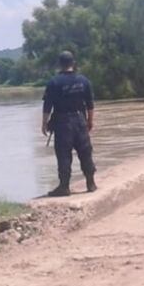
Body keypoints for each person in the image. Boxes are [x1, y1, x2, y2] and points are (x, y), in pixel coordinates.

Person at [41, 51, 96, 197]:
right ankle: (91, 183)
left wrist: (44, 123)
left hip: (62, 122)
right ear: (73, 63)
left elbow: (47, 106)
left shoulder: (53, 82)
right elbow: (90, 104)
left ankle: (64, 187)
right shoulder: (83, 81)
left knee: (63, 154)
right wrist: (90, 121)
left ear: (60, 64)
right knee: (85, 151)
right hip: (80, 120)